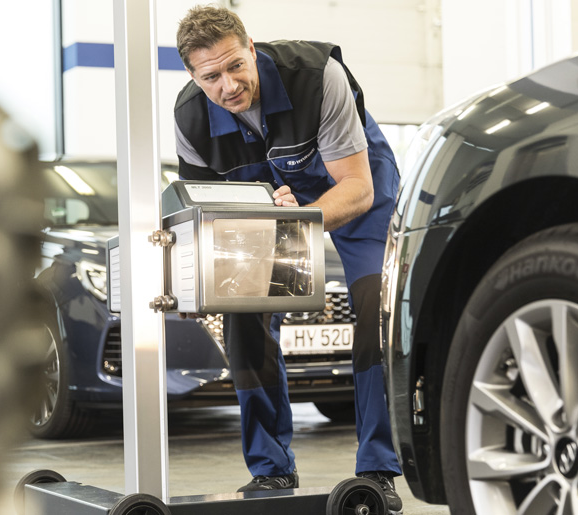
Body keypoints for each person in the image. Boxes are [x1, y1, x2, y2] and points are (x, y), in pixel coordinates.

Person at [173, 5, 403, 512]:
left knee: (376, 308)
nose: (229, 85)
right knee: (241, 313)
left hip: (356, 190)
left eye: (236, 65)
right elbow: (206, 215)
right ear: (192, 76)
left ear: (252, 49)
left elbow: (358, 188)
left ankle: (378, 468)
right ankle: (271, 470)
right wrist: (194, 283)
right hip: (272, 212)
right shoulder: (190, 118)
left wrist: (299, 219)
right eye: (211, 77)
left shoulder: (318, 77)